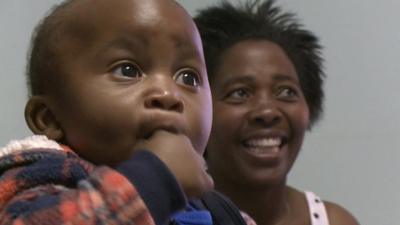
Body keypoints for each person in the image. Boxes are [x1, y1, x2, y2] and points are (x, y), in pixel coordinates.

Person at [0, 0, 248, 224]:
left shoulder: (219, 210)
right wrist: (155, 182)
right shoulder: (39, 175)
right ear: (49, 118)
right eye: (128, 71)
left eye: (188, 77)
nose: (169, 94)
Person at [194, 0, 360, 225]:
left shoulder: (335, 221)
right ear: (197, 110)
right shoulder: (165, 217)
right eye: (240, 93)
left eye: (286, 91)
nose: (268, 111)